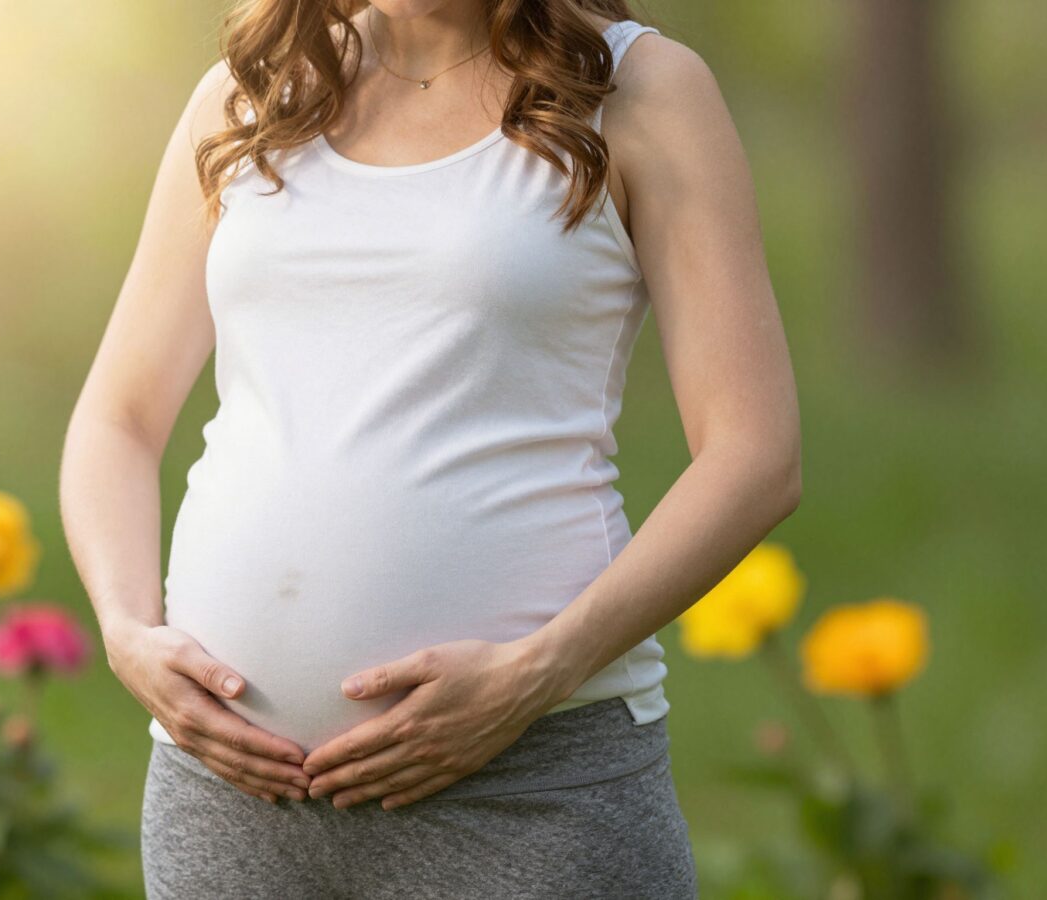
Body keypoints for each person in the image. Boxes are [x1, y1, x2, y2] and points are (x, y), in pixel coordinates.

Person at [59, 0, 800, 896]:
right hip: (227, 798)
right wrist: (127, 632)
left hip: (528, 796)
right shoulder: (249, 95)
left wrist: (539, 670)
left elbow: (754, 453)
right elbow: (119, 418)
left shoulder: (638, 87)